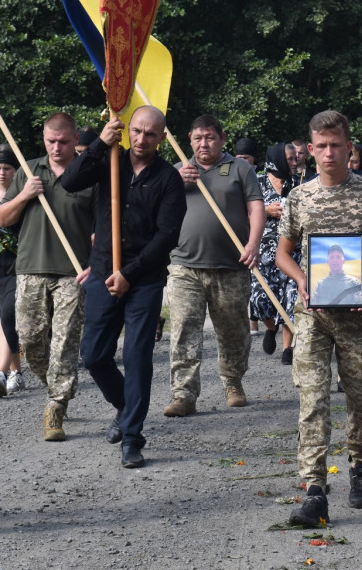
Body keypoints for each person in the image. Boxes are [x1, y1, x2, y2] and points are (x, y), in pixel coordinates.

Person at [275, 110, 362, 526]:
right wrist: (300, 280)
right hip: (313, 315)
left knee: (361, 399)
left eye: (337, 145)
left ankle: (359, 467)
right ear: (309, 149)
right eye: (321, 146)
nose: (329, 153)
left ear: (349, 148)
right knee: (312, 401)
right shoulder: (299, 197)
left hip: (357, 314)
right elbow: (282, 253)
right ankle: (315, 488)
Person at [60, 106, 186, 467]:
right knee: (94, 355)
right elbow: (69, 182)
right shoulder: (109, 161)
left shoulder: (168, 179)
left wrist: (129, 273)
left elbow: (167, 236)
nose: (141, 139)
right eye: (136, 131)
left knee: (136, 357)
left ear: (162, 137)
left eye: (150, 134)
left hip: (143, 279)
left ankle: (132, 437)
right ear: (127, 130)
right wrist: (100, 143)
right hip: (102, 271)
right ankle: (124, 405)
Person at [0, 112, 96, 441]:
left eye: (64, 142)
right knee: (30, 343)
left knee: (65, 343)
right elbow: (1, 218)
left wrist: (97, 260)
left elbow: (104, 226)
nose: (57, 147)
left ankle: (55, 407)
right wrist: (24, 195)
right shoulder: (28, 170)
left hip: (73, 273)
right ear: (44, 139)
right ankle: (55, 384)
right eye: (51, 141)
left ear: (74, 139)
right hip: (30, 269)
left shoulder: (88, 174)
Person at [164, 114, 264, 416]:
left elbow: (255, 207)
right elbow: (157, 208)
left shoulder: (239, 169)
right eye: (197, 138)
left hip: (231, 265)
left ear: (221, 139)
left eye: (209, 137)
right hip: (185, 265)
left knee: (233, 330)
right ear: (189, 141)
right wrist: (174, 184)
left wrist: (253, 244)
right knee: (183, 329)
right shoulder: (177, 171)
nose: (203, 143)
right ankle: (183, 394)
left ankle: (233, 382)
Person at [250, 143, 299, 364]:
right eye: (289, 158)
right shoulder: (256, 183)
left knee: (291, 299)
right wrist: (266, 210)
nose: (294, 162)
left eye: (295, 158)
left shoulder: (299, 184)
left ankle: (288, 348)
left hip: (292, 253)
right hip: (263, 254)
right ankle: (271, 328)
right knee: (260, 299)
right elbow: (242, 210)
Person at [0, 144, 23, 397]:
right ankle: (15, 372)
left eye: (7, 168)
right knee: (3, 316)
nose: (1, 173)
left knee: (9, 313)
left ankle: (1, 371)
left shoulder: (23, 192)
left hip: (19, 261)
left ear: (15, 170)